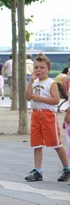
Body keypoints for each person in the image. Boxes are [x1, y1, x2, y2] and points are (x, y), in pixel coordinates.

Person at [24, 53, 70, 182]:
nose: (39, 70)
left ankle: (67, 168)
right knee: (36, 144)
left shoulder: (51, 83)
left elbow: (56, 100)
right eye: (36, 67)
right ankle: (37, 171)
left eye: (42, 67)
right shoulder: (33, 82)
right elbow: (27, 97)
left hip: (48, 116)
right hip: (35, 115)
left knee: (55, 143)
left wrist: (40, 98)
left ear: (48, 69)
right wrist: (31, 82)